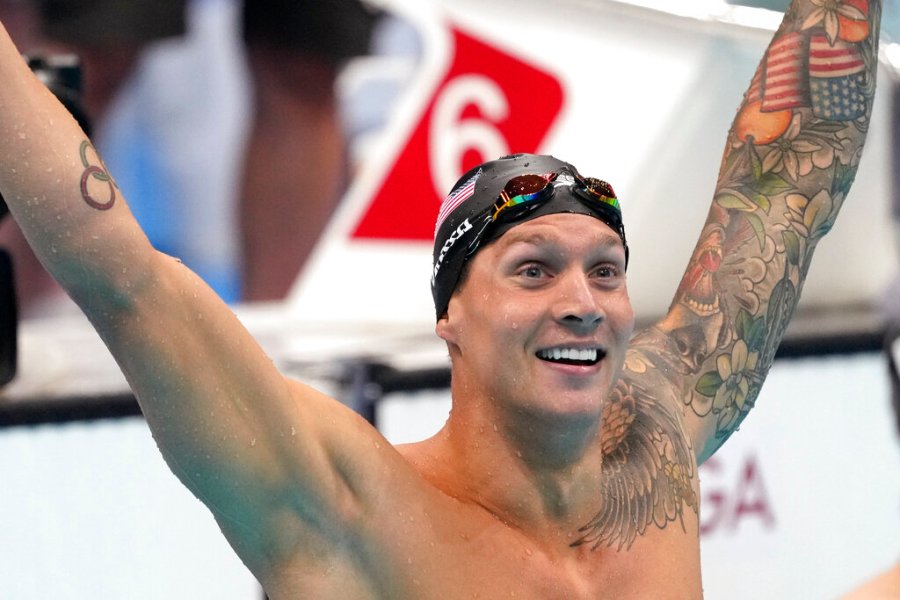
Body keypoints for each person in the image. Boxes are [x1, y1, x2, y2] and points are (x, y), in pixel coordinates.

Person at [0, 0, 883, 596]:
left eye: (605, 271)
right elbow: (121, 274)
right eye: (533, 270)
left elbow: (782, 188)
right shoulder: (352, 510)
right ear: (449, 319)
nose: (582, 301)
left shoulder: (661, 441)